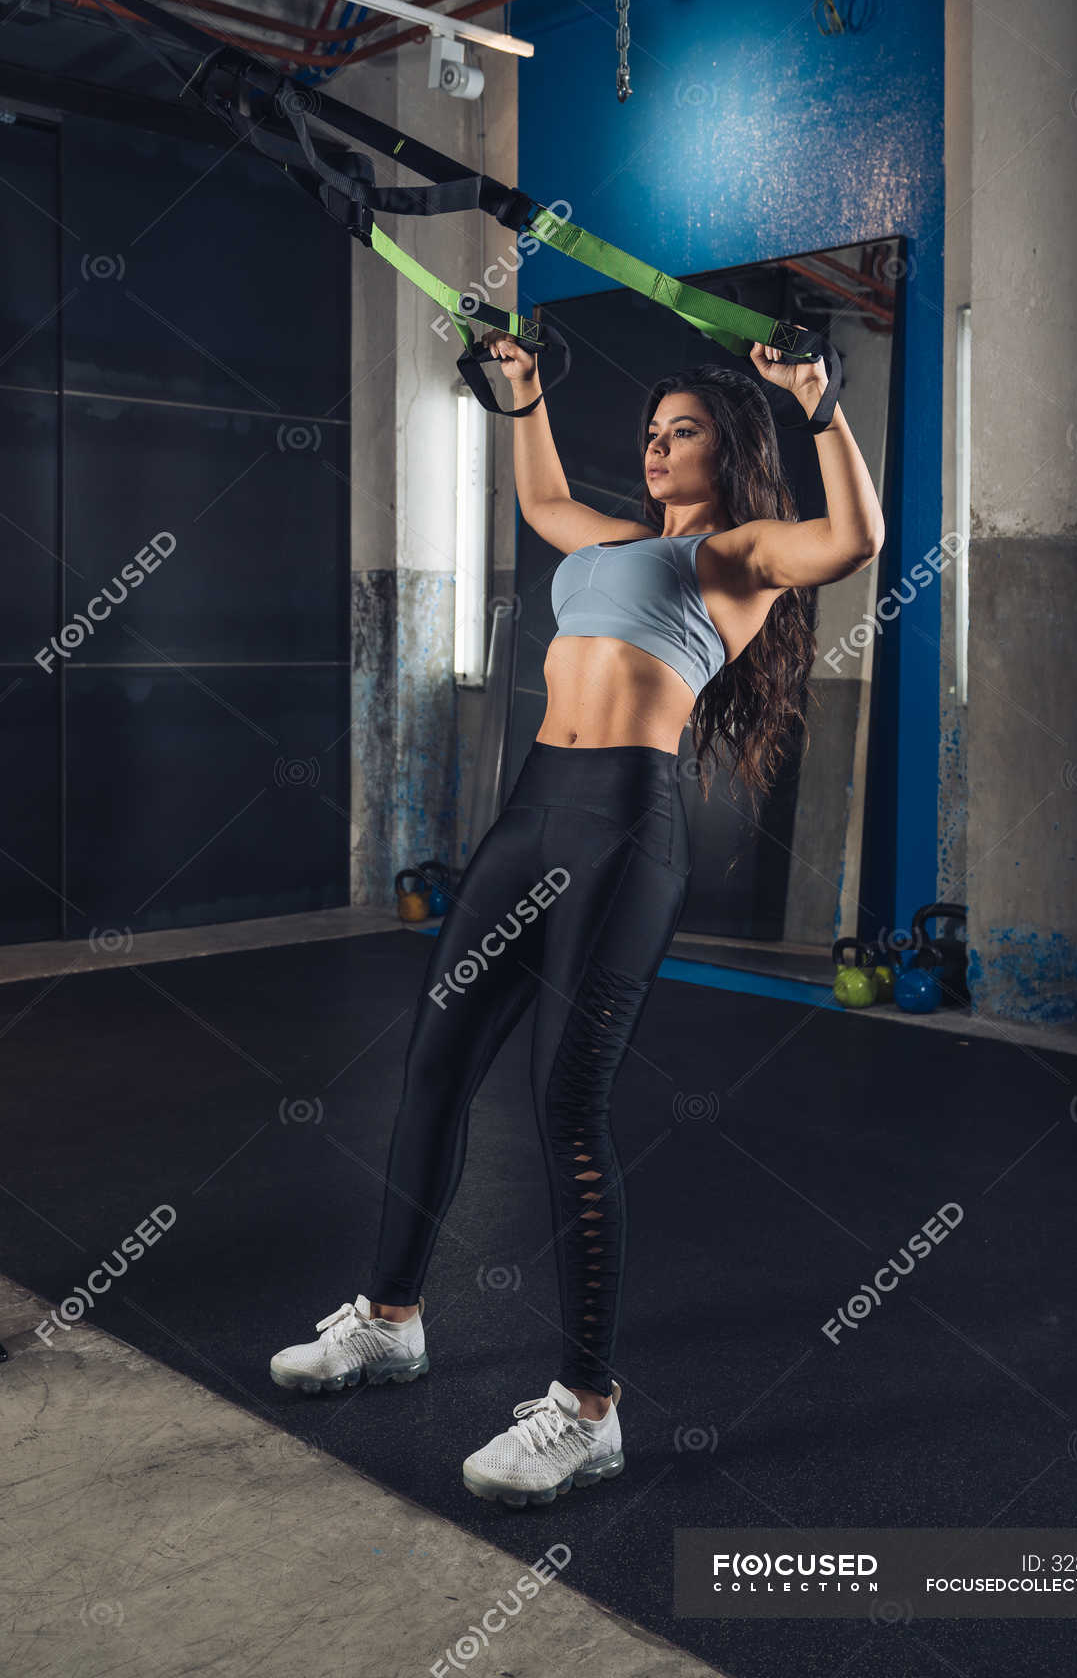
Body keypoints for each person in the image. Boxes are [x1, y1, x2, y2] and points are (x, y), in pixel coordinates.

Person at [270, 332, 885, 1508]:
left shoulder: (739, 555)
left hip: (619, 828)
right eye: (650, 432)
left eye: (683, 430)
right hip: (530, 815)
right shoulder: (612, 539)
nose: (657, 446)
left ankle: (587, 1411)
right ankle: (392, 1321)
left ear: (730, 446)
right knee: (437, 1061)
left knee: (565, 1103)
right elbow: (544, 495)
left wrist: (819, 406)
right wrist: (530, 394)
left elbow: (854, 542)